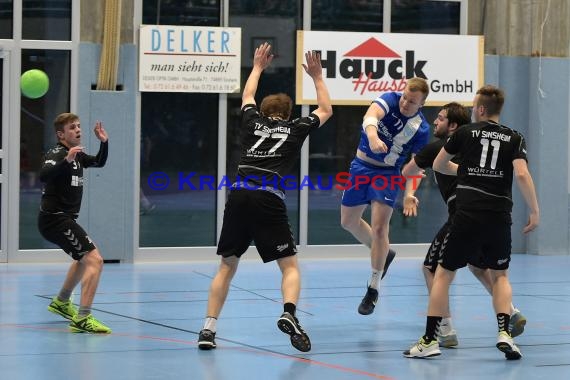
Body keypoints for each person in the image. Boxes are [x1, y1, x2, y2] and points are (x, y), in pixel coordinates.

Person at [197, 43, 332, 352]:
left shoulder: (251, 120)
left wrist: (257, 67)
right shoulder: (296, 127)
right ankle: (289, 312)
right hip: (268, 198)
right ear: (286, 113)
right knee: (290, 266)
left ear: (264, 111)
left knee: (226, 266)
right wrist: (317, 77)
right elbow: (326, 110)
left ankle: (208, 328)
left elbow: (246, 97)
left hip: (239, 195)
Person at [403, 85, 539, 360]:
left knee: (443, 273)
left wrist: (464, 171)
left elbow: (440, 166)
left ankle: (431, 339)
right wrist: (535, 210)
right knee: (499, 275)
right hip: (500, 214)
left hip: (467, 213)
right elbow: (522, 174)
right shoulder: (515, 137)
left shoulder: (465, 134)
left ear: (479, 109)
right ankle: (505, 334)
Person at [340, 77, 430, 315]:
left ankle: (373, 287)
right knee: (348, 222)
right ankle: (383, 252)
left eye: (412, 103)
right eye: (405, 98)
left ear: (421, 104)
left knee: (380, 229)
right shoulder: (389, 99)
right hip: (361, 166)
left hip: (388, 174)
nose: (405, 104)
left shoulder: (420, 128)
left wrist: (410, 193)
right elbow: (370, 117)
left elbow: (416, 165)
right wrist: (373, 137)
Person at [39, 112, 111, 334]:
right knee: (95, 260)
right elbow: (44, 174)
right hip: (55, 220)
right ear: (61, 134)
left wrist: (104, 142)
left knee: (84, 259)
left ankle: (61, 302)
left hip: (65, 219)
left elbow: (98, 162)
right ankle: (83, 318)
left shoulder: (77, 155)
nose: (78, 130)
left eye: (79, 126)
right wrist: (66, 160)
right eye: (72, 128)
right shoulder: (57, 153)